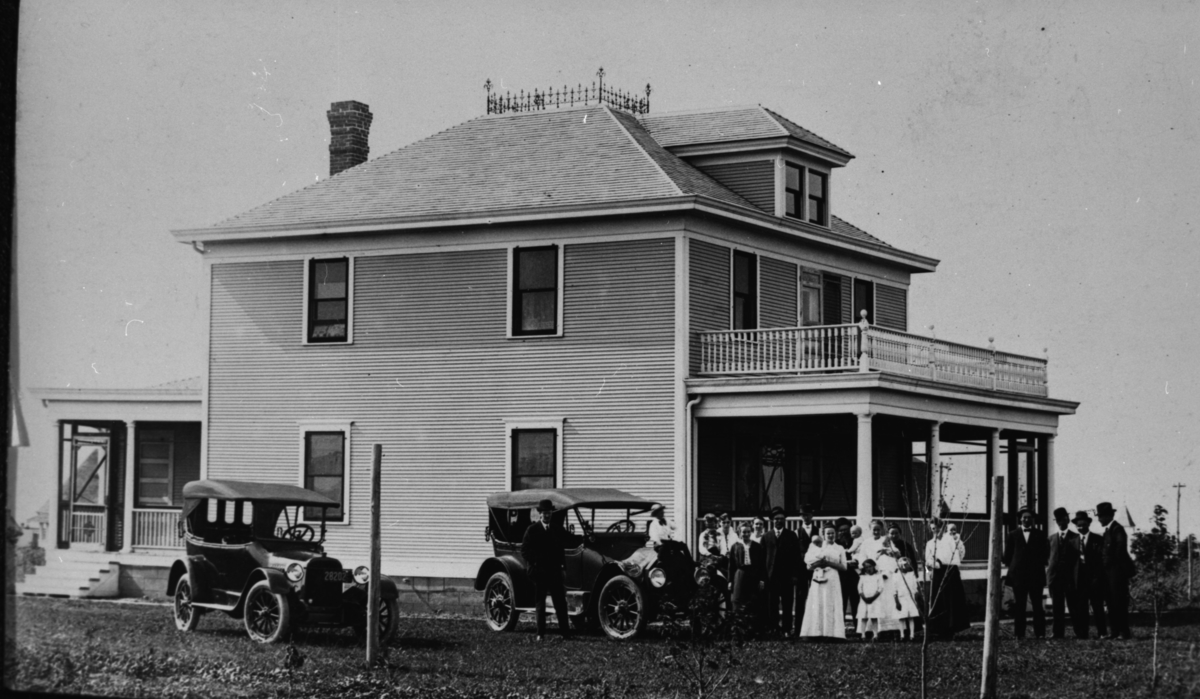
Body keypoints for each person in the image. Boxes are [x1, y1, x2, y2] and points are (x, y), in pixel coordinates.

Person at [520, 499, 572, 641]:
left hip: (554, 571)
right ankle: (540, 634)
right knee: (540, 603)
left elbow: (562, 549)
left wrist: (563, 567)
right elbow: (524, 551)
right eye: (544, 513)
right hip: (539, 572)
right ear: (540, 514)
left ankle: (565, 633)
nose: (547, 515)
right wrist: (536, 561)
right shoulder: (532, 530)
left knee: (560, 602)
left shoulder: (556, 529)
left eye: (549, 513)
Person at [1003, 507, 1049, 640]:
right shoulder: (1012, 534)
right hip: (1019, 577)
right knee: (1020, 605)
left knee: (1037, 605)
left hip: (1036, 576)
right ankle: (1019, 634)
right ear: (1020, 519)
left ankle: (1040, 633)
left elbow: (1044, 554)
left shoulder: (1040, 534)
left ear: (1032, 519)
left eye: (1029, 517)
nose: (1026, 519)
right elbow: (1007, 556)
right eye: (1024, 517)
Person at [800, 524, 847, 640]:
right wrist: (818, 564)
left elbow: (844, 567)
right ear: (823, 535)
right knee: (818, 602)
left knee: (831, 602)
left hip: (832, 577)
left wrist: (829, 563)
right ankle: (816, 632)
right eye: (828, 533)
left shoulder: (839, 548)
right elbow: (808, 567)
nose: (830, 535)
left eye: (832, 533)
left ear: (835, 534)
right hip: (818, 576)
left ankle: (832, 633)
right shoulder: (816, 547)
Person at [925, 517, 970, 638]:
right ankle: (939, 630)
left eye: (938, 528)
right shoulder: (930, 543)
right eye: (933, 529)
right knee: (938, 600)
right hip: (937, 573)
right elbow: (927, 560)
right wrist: (929, 571)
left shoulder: (950, 540)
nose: (936, 531)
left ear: (943, 528)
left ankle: (952, 629)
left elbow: (960, 554)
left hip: (950, 571)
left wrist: (958, 543)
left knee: (951, 600)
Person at [1096, 502, 1135, 640]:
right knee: (1111, 604)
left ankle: (1124, 632)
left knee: (1119, 603)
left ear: (1108, 516)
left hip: (1116, 573)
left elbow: (1120, 551)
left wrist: (1111, 567)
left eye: (1100, 516)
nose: (1098, 519)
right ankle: (1114, 632)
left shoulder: (1117, 529)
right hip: (1108, 574)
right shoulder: (1108, 530)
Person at [1046, 506, 1086, 639]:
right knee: (1057, 607)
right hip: (1055, 579)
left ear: (1068, 520)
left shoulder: (1076, 537)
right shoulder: (1051, 539)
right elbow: (1047, 558)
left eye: (1064, 519)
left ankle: (1079, 632)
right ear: (1056, 522)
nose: (1061, 522)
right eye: (1058, 520)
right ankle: (1057, 633)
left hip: (1070, 579)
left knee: (1073, 606)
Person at [762, 507, 802, 637]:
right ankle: (773, 628)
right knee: (772, 604)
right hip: (771, 576)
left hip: (787, 576)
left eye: (781, 519)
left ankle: (786, 629)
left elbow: (797, 557)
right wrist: (763, 577)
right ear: (772, 521)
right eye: (776, 519)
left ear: (785, 520)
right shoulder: (766, 536)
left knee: (787, 603)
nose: (779, 521)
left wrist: (795, 575)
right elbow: (762, 558)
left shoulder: (791, 535)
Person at [1074, 509, 1108, 638]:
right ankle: (1083, 633)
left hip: (1095, 579)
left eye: (1083, 524)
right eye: (1078, 525)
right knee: (1081, 608)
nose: (1081, 527)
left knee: (1097, 607)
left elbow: (1101, 560)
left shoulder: (1097, 539)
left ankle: (1102, 632)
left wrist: (1098, 578)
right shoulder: (1073, 541)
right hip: (1079, 580)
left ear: (1088, 524)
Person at [727, 522, 766, 623]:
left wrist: (761, 579)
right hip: (740, 574)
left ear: (751, 532)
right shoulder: (735, 546)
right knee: (738, 599)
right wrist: (730, 581)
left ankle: (752, 628)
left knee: (753, 599)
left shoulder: (757, 546)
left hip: (754, 574)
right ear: (739, 532)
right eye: (744, 532)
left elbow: (761, 565)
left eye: (748, 532)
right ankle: (738, 627)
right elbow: (731, 565)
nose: (746, 534)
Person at [856, 559, 892, 640]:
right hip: (864, 600)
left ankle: (875, 634)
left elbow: (881, 588)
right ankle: (863, 635)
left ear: (874, 567)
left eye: (870, 567)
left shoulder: (878, 576)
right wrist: (864, 597)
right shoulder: (862, 577)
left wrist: (873, 598)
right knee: (863, 617)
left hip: (874, 600)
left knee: (874, 617)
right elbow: (859, 588)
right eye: (866, 567)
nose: (868, 569)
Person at [835, 518, 860, 621]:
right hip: (840, 578)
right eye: (841, 531)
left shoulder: (856, 542)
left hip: (854, 577)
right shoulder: (835, 544)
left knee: (856, 602)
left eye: (846, 530)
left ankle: (858, 628)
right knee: (841, 603)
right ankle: (840, 629)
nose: (843, 533)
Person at [893, 557, 921, 640]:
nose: (906, 567)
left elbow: (915, 588)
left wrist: (916, 600)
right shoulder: (896, 576)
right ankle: (902, 635)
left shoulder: (911, 574)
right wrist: (897, 602)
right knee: (901, 617)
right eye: (904, 565)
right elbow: (894, 590)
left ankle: (912, 635)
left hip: (910, 597)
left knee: (911, 617)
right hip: (901, 598)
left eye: (907, 565)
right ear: (899, 566)